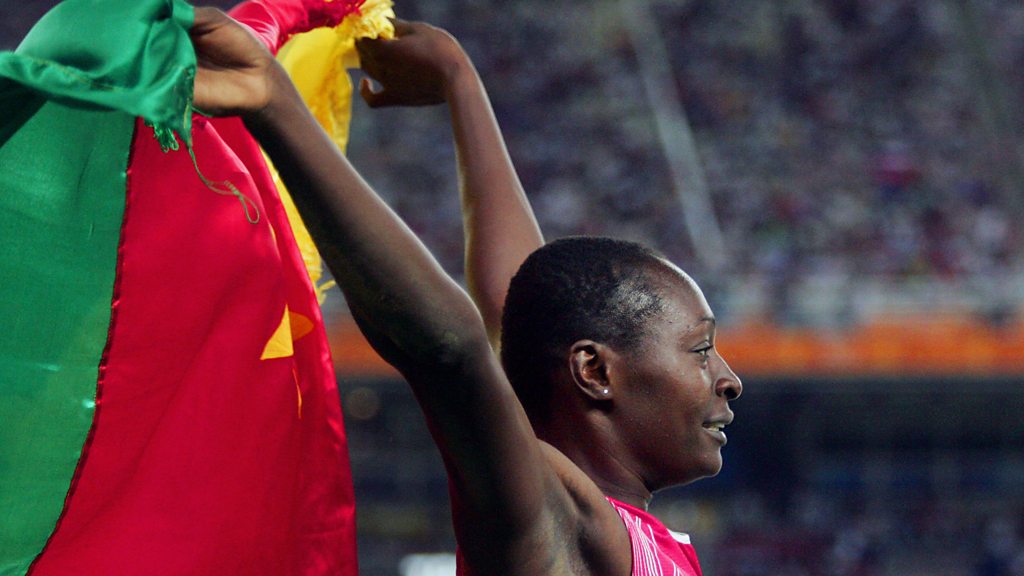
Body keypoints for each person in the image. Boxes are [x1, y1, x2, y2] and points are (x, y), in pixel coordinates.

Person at [190, 6, 742, 576]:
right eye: (700, 350)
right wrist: (277, 107)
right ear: (595, 372)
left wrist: (461, 83)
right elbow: (450, 350)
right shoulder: (563, 524)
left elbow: (520, 306)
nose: (729, 380)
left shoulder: (626, 533)